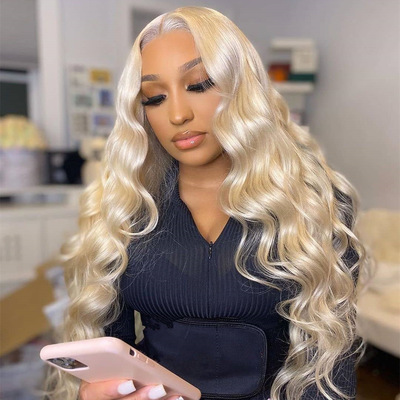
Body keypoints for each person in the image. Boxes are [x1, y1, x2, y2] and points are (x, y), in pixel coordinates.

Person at [45, 6, 367, 400]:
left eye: (198, 85)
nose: (178, 114)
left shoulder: (313, 203)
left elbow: (330, 367)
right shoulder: (125, 209)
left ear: (242, 87)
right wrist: (98, 392)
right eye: (155, 97)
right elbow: (109, 354)